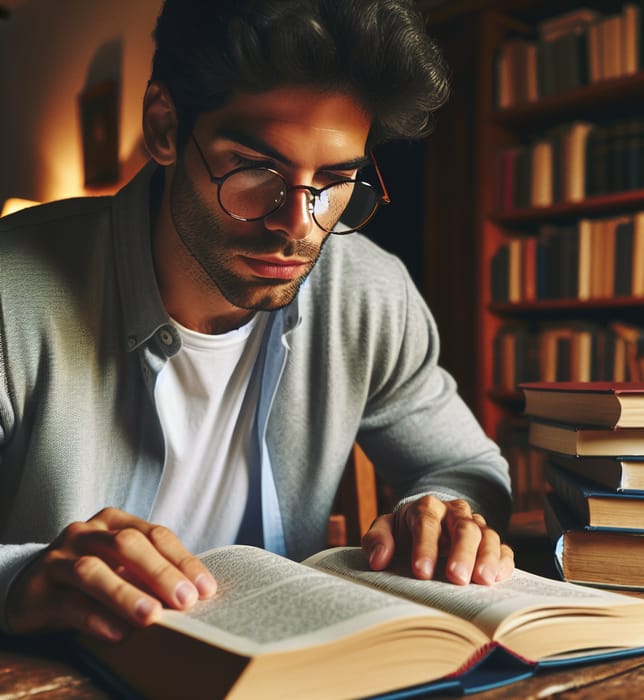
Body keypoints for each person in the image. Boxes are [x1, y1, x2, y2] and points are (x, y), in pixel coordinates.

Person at [0, 0, 514, 643]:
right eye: (254, 170)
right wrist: (21, 581)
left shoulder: (371, 294)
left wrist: (440, 517)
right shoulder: (9, 294)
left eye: (333, 181)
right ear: (163, 126)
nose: (296, 226)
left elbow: (467, 468)